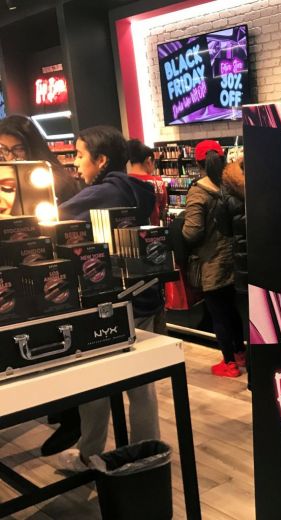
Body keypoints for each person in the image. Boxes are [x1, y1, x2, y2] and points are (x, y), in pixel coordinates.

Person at [56, 126, 162, 470]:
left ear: (101, 159)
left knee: (95, 381)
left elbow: (53, 218)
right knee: (142, 384)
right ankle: (147, 454)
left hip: (109, 299)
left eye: (80, 155)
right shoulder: (135, 188)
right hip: (143, 294)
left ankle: (89, 455)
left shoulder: (103, 192)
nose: (75, 163)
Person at [0, 115, 83, 455]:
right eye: (2, 150)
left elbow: (67, 232)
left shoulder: (51, 178)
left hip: (51, 273)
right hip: (15, 275)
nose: (9, 157)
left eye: (17, 149)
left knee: (58, 344)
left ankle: (71, 417)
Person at [183, 140, 246, 377]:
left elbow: (192, 232)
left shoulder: (198, 192)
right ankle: (240, 354)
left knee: (218, 315)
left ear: (197, 163)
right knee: (233, 311)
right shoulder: (231, 186)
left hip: (211, 263)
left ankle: (228, 363)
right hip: (235, 260)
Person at [0, 115, 82, 203]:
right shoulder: (4, 174)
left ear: (34, 147)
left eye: (19, 149)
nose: (11, 157)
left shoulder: (56, 180)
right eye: (4, 149)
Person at [127, 139, 167, 225]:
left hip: (132, 228)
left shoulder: (124, 182)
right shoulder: (158, 182)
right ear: (149, 160)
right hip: (154, 229)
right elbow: (162, 209)